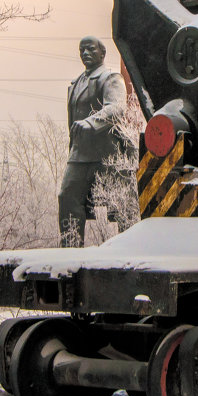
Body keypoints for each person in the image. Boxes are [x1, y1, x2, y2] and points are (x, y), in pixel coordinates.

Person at [58, 36, 127, 247]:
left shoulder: (110, 78)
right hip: (80, 154)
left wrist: (91, 122)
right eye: (82, 50)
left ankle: (127, 249)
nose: (85, 53)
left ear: (102, 53)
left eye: (90, 49)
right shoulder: (77, 82)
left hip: (106, 154)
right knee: (67, 197)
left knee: (121, 206)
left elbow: (116, 108)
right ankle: (71, 249)